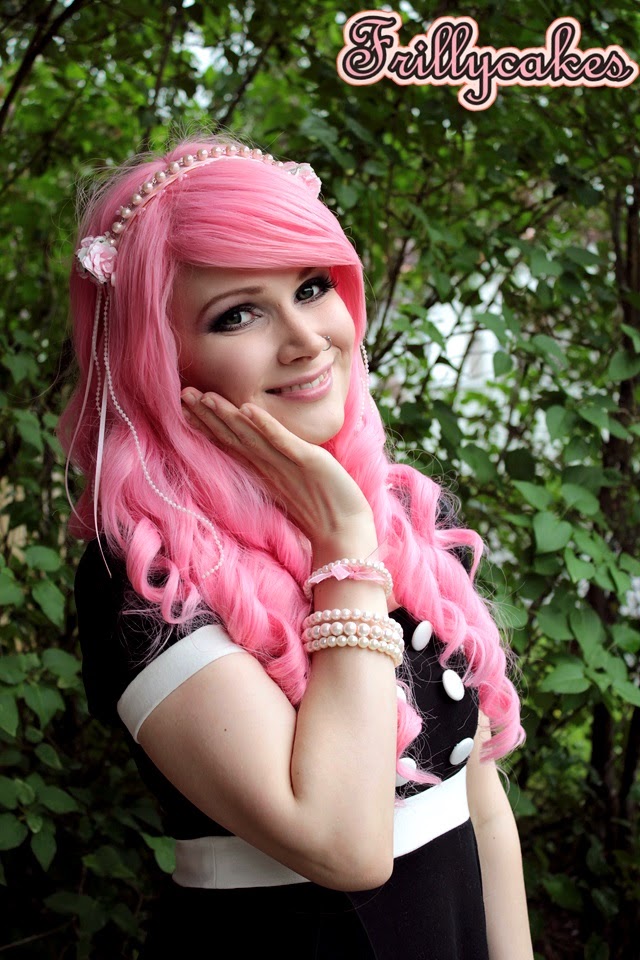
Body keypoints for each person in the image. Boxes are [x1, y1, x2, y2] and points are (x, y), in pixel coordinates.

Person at [59, 136, 534, 959]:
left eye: (312, 287)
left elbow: (480, 803)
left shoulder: (398, 514)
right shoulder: (141, 574)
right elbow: (345, 847)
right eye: (237, 313)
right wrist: (343, 554)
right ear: (160, 359)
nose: (307, 338)